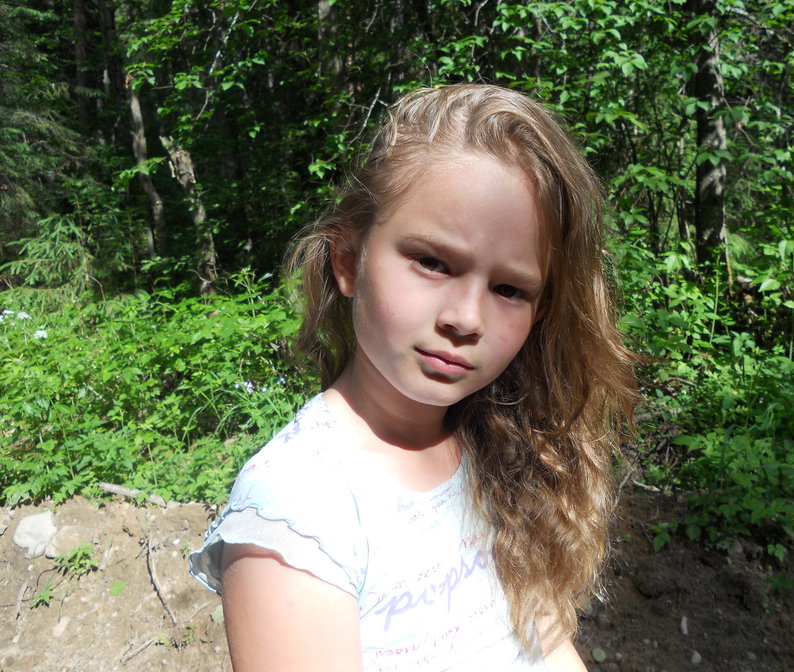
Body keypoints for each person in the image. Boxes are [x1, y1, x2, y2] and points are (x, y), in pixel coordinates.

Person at [189, 83, 639, 671]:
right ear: (347, 260)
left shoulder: (504, 448)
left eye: (510, 289)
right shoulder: (299, 509)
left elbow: (547, 646)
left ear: (540, 312)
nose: (466, 319)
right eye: (432, 262)